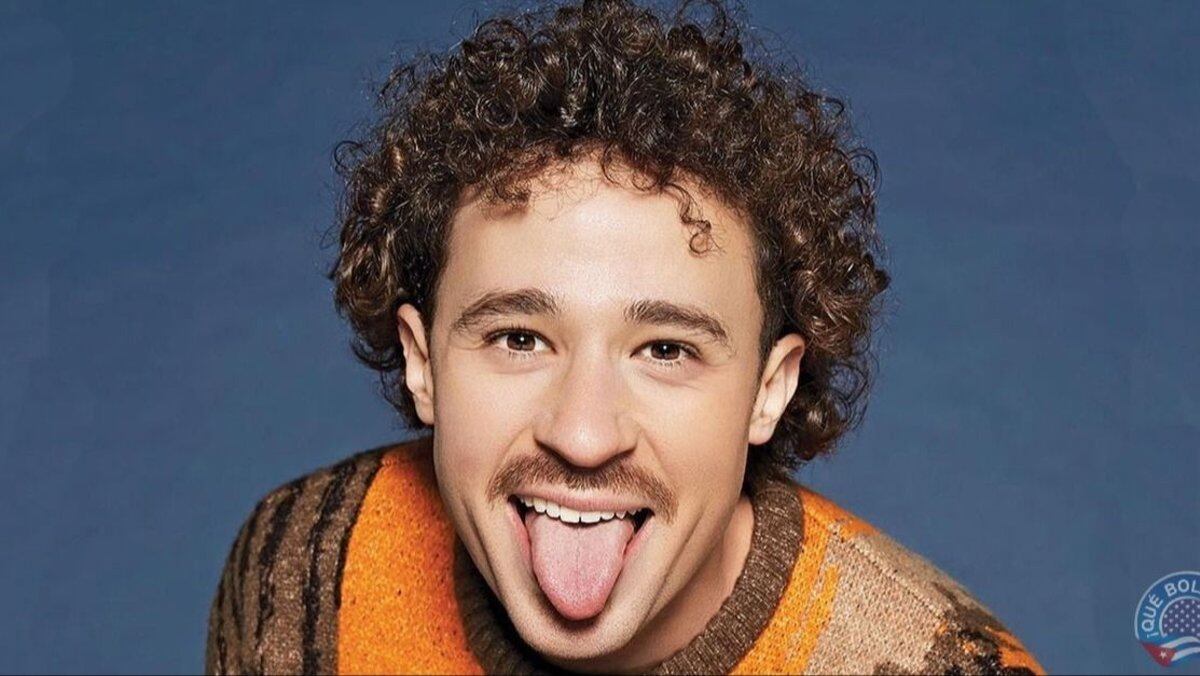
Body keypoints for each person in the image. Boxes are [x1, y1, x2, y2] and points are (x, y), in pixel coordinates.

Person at [205, 0, 1045, 672]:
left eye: (666, 350)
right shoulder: (303, 573)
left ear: (770, 389)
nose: (583, 435)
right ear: (423, 363)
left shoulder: (942, 666)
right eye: (519, 339)